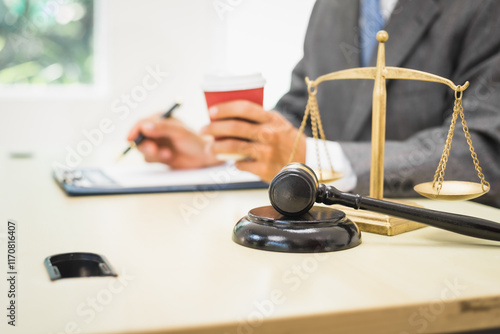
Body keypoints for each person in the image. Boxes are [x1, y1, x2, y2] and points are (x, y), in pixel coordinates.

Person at [127, 0, 500, 208]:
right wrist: (219, 148)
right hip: (333, 240)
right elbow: (300, 108)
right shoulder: (332, 6)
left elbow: (483, 151)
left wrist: (312, 158)